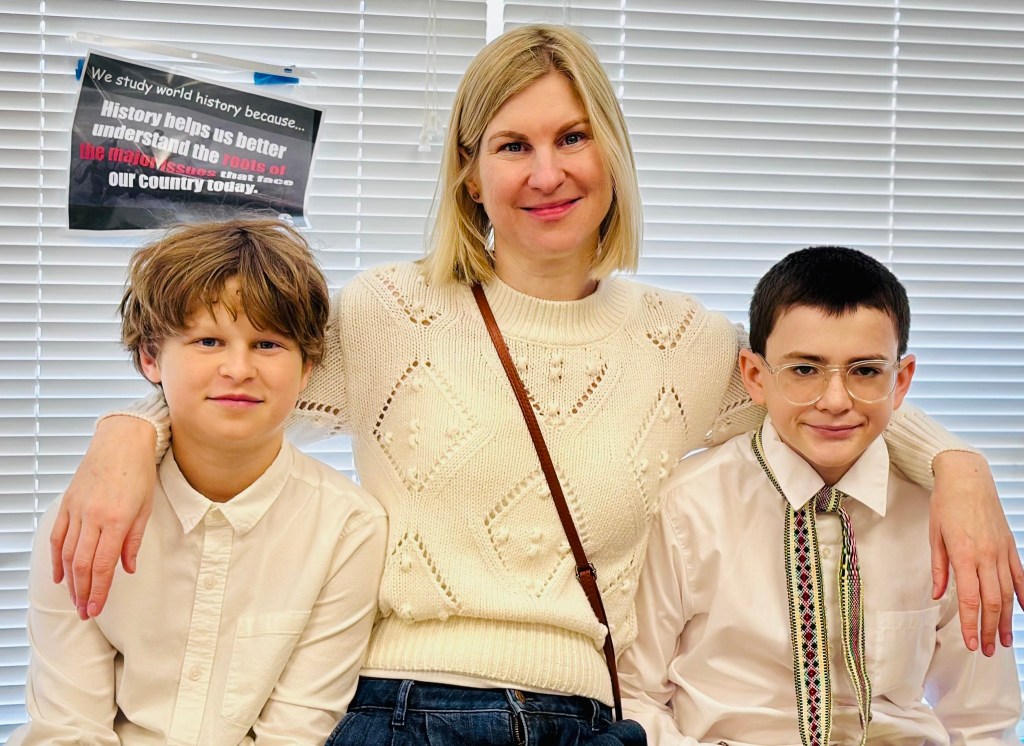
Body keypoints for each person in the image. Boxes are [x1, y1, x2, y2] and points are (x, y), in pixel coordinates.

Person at [47, 25, 1021, 745]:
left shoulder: (683, 339)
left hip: (593, 714)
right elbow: (229, 381)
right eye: (512, 145)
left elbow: (823, 390)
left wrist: (958, 464)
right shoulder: (389, 312)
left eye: (572, 137)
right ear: (470, 174)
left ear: (612, 155)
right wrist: (125, 432)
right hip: (400, 707)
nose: (546, 172)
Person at [618, 246, 1022, 745]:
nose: (835, 401)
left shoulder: (946, 517)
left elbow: (982, 721)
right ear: (755, 377)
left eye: (865, 371)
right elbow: (633, 697)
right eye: (805, 370)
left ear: (901, 382)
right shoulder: (687, 506)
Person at [11, 219, 388, 745]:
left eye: (267, 344)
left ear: (307, 369)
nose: (238, 368)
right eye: (208, 341)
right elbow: (67, 728)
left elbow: (296, 732)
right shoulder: (84, 519)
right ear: (150, 358)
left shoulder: (349, 528)